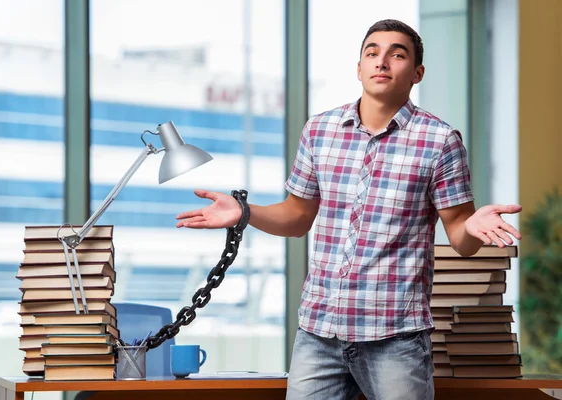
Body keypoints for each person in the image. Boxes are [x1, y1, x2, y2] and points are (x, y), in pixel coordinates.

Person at [175, 19, 522, 400]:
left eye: (397, 54)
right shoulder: (319, 130)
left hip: (396, 338)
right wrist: (245, 212)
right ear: (359, 69)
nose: (382, 61)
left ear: (417, 73)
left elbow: (460, 238)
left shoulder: (440, 141)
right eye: (372, 53)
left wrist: (474, 225)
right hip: (319, 333)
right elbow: (297, 217)